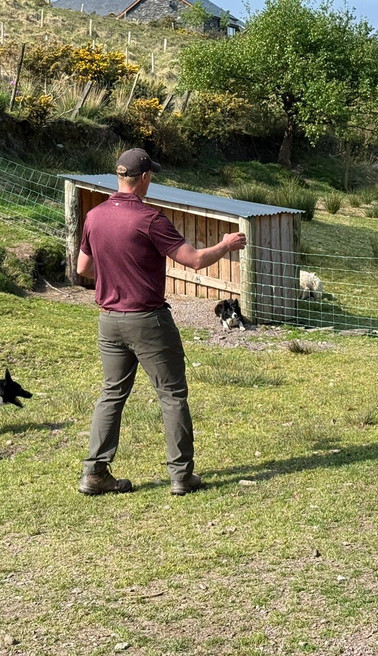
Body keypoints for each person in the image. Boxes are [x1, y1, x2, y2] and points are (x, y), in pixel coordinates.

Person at [76, 148, 247, 496]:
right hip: (148, 320)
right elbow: (195, 261)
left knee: (111, 394)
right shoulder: (150, 219)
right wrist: (226, 245)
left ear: (118, 176)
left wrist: (115, 276)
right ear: (145, 178)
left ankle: (94, 473)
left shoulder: (94, 216)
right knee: (171, 395)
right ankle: (181, 476)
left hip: (109, 320)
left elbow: (83, 269)